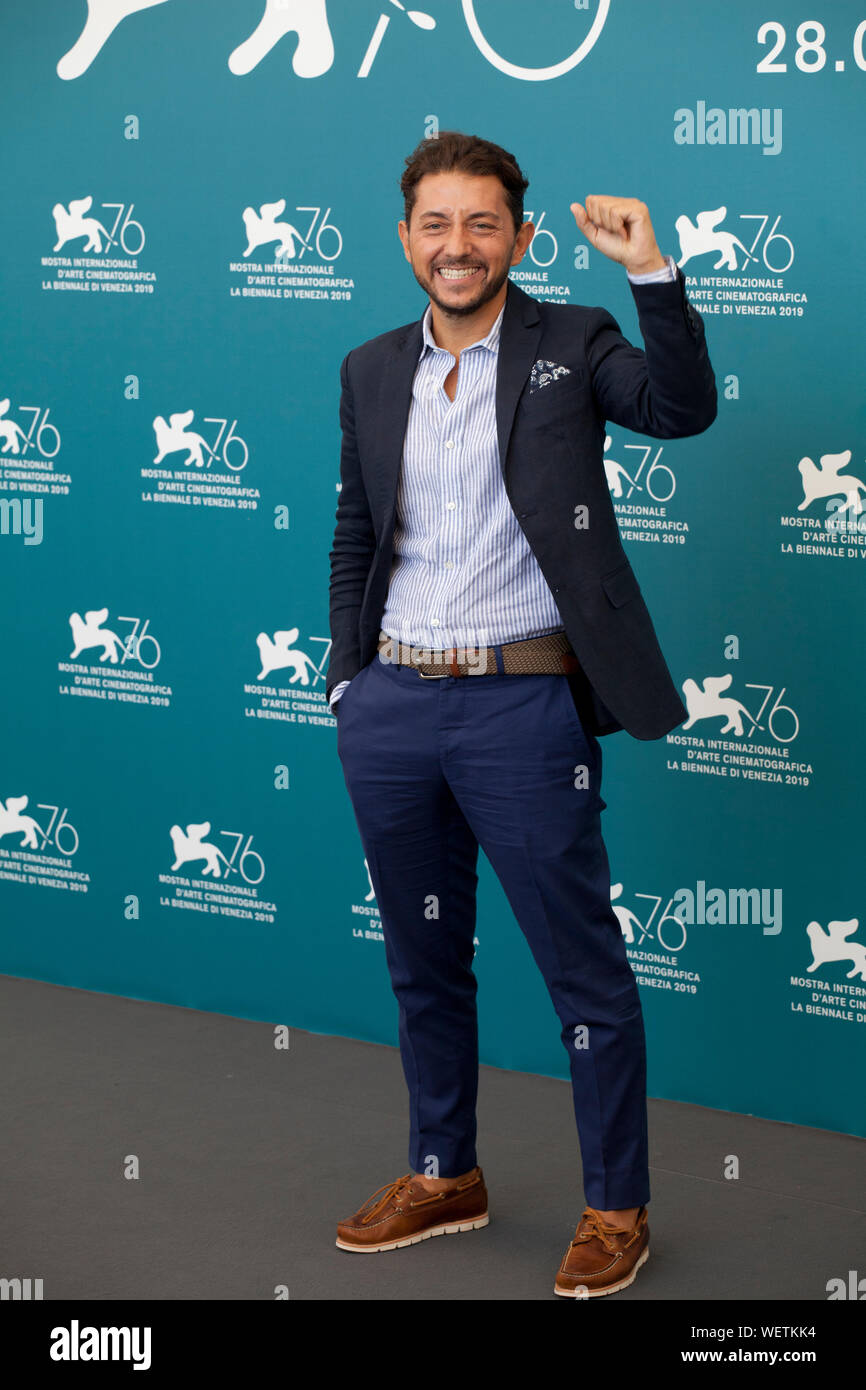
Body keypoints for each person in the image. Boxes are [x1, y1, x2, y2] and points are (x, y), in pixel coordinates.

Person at [326, 131, 716, 1297]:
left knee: (581, 974)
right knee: (421, 961)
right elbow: (356, 528)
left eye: (481, 224)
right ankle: (444, 1172)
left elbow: (680, 409)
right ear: (405, 240)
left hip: (524, 705)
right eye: (435, 226)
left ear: (519, 237)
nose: (457, 246)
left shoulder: (572, 343)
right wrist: (349, 676)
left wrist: (651, 270)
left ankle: (615, 1207)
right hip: (393, 705)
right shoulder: (367, 366)